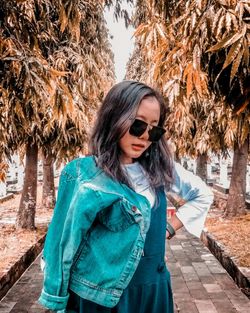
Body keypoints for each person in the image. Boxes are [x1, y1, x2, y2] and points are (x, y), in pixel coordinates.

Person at [39, 81, 214, 313]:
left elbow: (202, 194)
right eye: (137, 125)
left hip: (153, 291)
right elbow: (62, 244)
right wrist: (56, 300)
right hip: (99, 299)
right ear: (115, 119)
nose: (144, 136)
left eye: (154, 129)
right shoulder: (84, 174)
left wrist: (168, 228)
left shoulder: (160, 169)